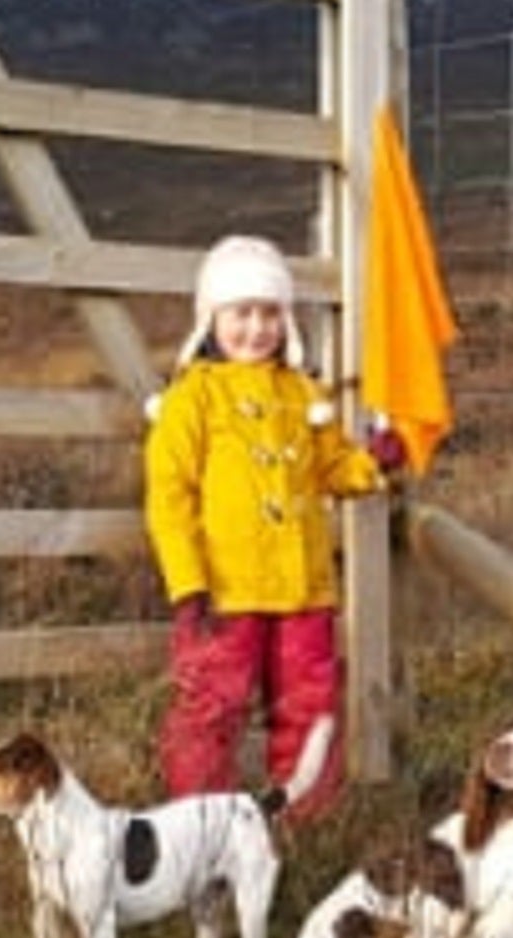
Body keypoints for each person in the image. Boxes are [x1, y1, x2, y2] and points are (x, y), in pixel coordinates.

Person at [144, 233, 405, 819]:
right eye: (241, 313)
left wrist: (373, 462)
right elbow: (170, 498)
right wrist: (187, 585)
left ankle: (303, 824)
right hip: (222, 593)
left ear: (286, 320)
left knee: (310, 707)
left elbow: (330, 465)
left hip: (304, 590)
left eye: (269, 313)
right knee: (211, 709)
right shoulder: (192, 400)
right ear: (212, 318)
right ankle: (201, 829)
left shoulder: (301, 394)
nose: (255, 329)